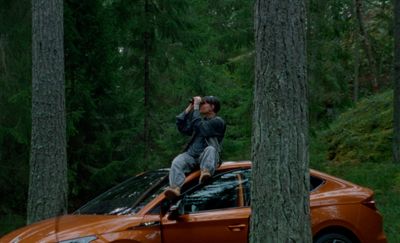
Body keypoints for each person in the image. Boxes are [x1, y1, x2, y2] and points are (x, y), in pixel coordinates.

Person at [164, 95, 226, 200]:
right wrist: (190, 108)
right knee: (177, 161)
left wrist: (196, 107)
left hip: (206, 157)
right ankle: (175, 188)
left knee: (210, 149)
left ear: (212, 107)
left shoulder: (218, 122)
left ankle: (206, 171)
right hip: (192, 156)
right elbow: (183, 128)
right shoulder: (199, 121)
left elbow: (202, 128)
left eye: (204, 103)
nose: (201, 105)